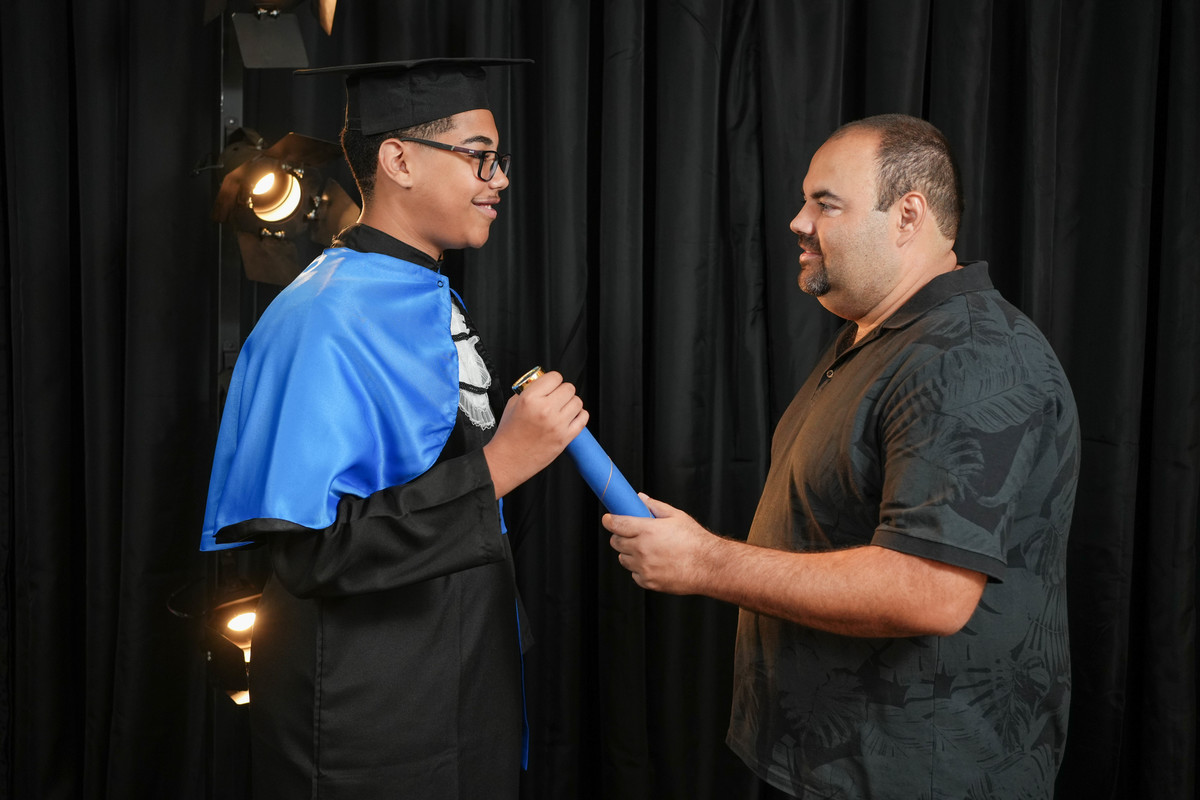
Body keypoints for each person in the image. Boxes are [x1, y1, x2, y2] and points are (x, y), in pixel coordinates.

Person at [604, 114, 1079, 799]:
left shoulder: (971, 356)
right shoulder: (878, 336)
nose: (798, 222)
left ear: (908, 215)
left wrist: (705, 561)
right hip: (824, 765)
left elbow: (929, 592)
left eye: (825, 204)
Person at [199, 58, 587, 799]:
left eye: (499, 159)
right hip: (370, 723)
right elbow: (312, 553)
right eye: (479, 156)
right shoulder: (324, 315)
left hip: (460, 685)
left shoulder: (420, 287)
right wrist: (501, 464)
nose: (500, 179)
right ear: (399, 161)